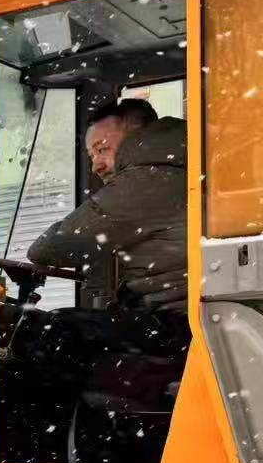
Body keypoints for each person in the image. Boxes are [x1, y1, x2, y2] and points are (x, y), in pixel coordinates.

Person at [28, 97, 188, 313]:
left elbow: (49, 247)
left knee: (50, 326)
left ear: (136, 134)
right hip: (174, 312)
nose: (96, 166)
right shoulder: (174, 168)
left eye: (102, 149)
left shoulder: (145, 182)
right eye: (91, 156)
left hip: (174, 317)